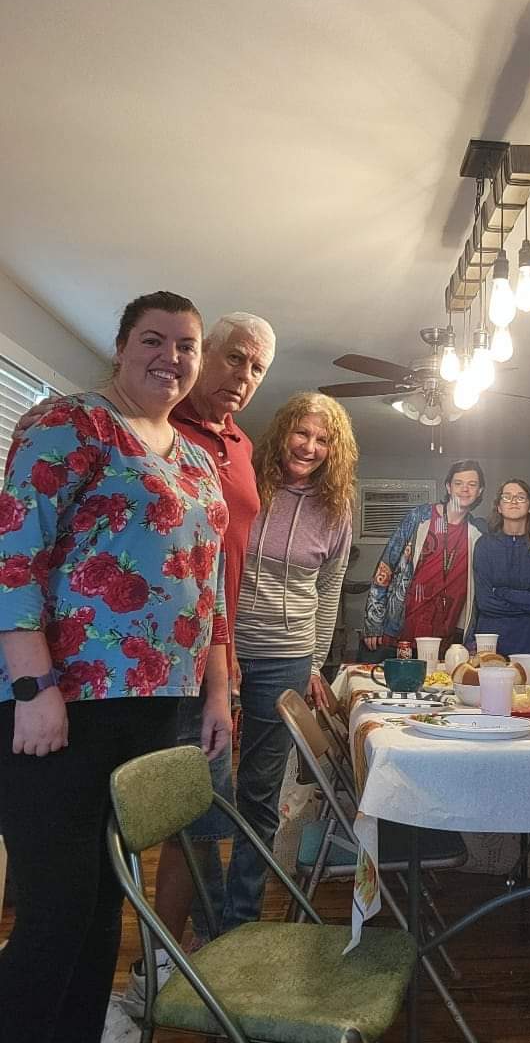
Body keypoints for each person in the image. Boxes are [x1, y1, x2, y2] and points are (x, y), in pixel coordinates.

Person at [0, 291, 230, 1043]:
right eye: (154, 340)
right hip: (63, 702)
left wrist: (217, 694)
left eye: (187, 345)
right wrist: (34, 686)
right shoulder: (70, 423)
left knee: (107, 902)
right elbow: (14, 554)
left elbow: (210, 584)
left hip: (158, 702)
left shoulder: (197, 460)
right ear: (122, 345)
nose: (172, 357)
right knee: (56, 911)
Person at [116, 310, 276, 1020]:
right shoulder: (156, 423)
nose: (244, 376)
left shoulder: (240, 445)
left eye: (257, 368)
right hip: (133, 659)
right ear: (204, 353)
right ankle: (138, 966)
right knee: (135, 819)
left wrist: (225, 664)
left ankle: (165, 962)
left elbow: (222, 563)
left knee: (199, 816)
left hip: (211, 657)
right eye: (235, 358)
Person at [221, 391, 356, 930]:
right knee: (207, 788)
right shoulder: (246, 484)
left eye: (323, 440)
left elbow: (329, 589)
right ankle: (203, 915)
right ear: (283, 433)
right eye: (302, 433)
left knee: (258, 790)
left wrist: (315, 663)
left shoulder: (337, 508)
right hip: (224, 652)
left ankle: (240, 918)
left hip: (287, 656)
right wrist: (221, 646)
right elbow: (215, 564)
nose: (310, 446)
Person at [362, 461, 530, 658]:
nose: (464, 489)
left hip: (448, 634)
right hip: (401, 625)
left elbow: (513, 526)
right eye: (458, 483)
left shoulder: (479, 530)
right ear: (448, 487)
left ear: (480, 491)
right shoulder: (420, 517)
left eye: (472, 484)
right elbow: (385, 566)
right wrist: (373, 621)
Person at [468, 479, 530, 658]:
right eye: (507, 497)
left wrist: (502, 592)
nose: (514, 501)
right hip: (493, 644)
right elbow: (485, 602)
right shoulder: (485, 545)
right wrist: (527, 601)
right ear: (499, 507)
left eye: (520, 497)